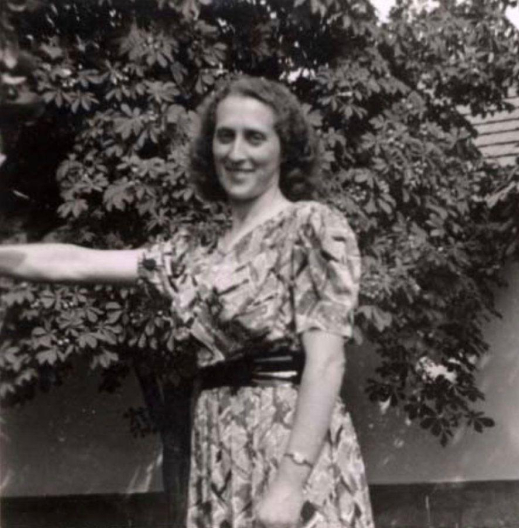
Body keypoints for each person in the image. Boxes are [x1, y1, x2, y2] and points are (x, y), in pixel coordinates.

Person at [0, 76, 375, 528]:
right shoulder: (193, 253)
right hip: (220, 444)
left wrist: (289, 485)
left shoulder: (313, 227)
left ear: (285, 148)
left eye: (255, 137)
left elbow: (326, 364)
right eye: (225, 135)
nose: (237, 153)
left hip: (291, 449)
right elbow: (75, 263)